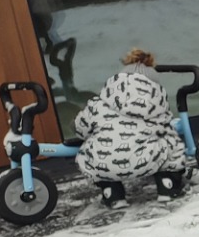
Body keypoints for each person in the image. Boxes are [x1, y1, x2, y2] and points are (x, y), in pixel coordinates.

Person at [73, 49, 190, 206]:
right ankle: (167, 185)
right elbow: (165, 127)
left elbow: (80, 130)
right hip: (145, 160)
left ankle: (112, 193)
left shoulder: (99, 103)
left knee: (88, 151)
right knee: (171, 141)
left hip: (105, 163)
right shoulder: (156, 102)